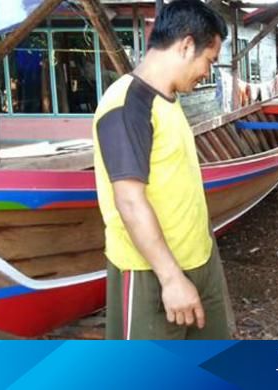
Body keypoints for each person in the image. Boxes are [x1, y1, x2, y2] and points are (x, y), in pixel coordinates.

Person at [92, 0, 232, 339]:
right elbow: (129, 201)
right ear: (186, 45)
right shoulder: (126, 105)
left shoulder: (166, 98)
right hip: (151, 274)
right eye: (208, 61)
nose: (207, 72)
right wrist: (170, 278)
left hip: (198, 259)